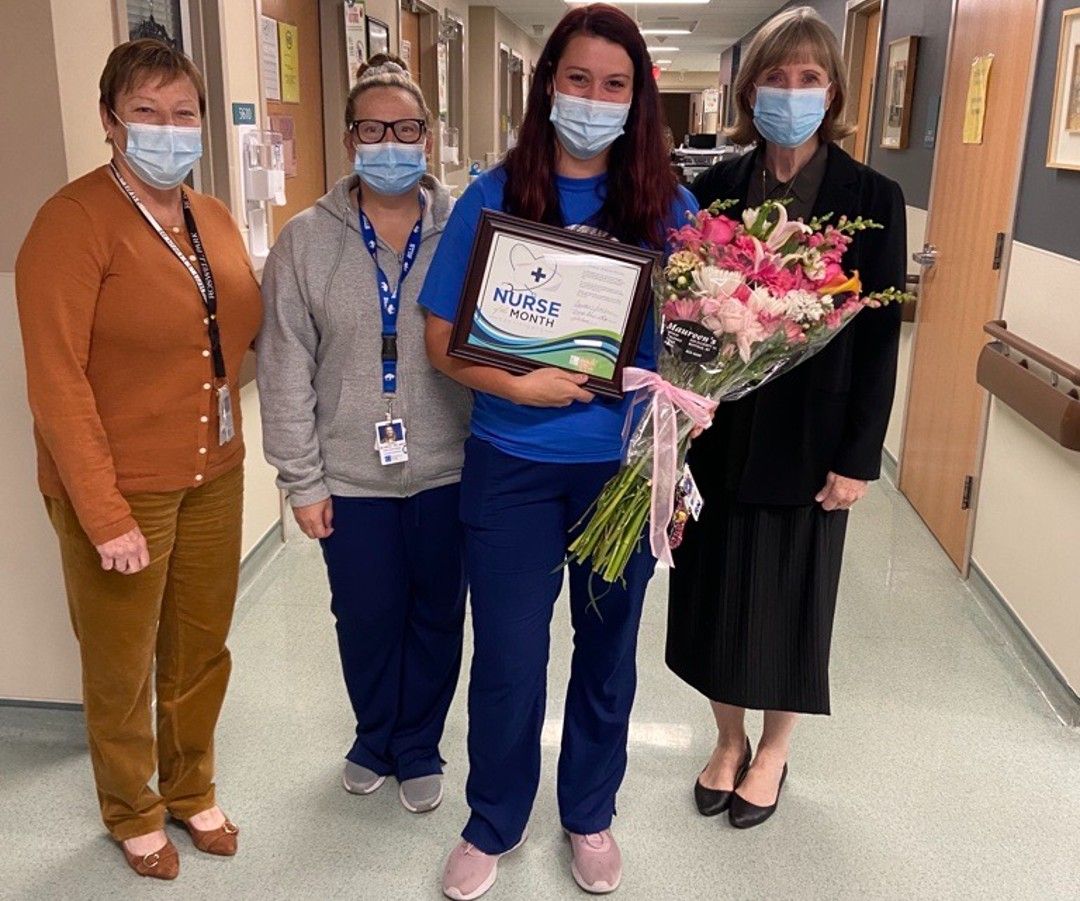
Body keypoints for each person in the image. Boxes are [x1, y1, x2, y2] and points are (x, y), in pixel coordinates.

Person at [421, 5, 697, 897]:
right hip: (511, 464)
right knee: (507, 652)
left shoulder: (670, 210)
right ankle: (493, 817)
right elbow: (442, 340)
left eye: (614, 85)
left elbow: (700, 350)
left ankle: (589, 812)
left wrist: (694, 425)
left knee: (608, 650)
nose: (593, 98)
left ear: (637, 99)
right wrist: (518, 385)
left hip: (619, 471)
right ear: (548, 86)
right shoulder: (493, 196)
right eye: (577, 79)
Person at [14, 40, 262, 879]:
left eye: (183, 112)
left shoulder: (210, 215)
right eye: (146, 112)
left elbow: (238, 328)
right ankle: (131, 806)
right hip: (121, 486)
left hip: (213, 473)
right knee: (121, 662)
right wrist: (103, 509)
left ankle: (191, 787)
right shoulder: (72, 221)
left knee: (200, 647)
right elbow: (56, 383)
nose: (168, 128)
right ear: (110, 122)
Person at [666, 6, 906, 829]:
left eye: (808, 79)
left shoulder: (872, 197)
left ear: (832, 92)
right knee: (715, 589)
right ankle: (726, 739)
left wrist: (860, 456)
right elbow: (682, 311)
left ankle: (774, 749)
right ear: (749, 90)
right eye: (776, 78)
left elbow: (877, 338)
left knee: (793, 595)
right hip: (719, 431)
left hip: (813, 440)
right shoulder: (714, 189)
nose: (792, 92)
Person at [257, 56, 471, 816]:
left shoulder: (468, 228)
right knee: (366, 614)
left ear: (428, 136)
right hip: (349, 473)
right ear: (350, 139)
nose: (392, 142)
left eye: (406, 128)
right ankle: (374, 734)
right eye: (374, 129)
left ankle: (419, 742)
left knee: (438, 612)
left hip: (450, 469)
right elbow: (284, 367)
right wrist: (301, 480)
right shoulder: (305, 242)